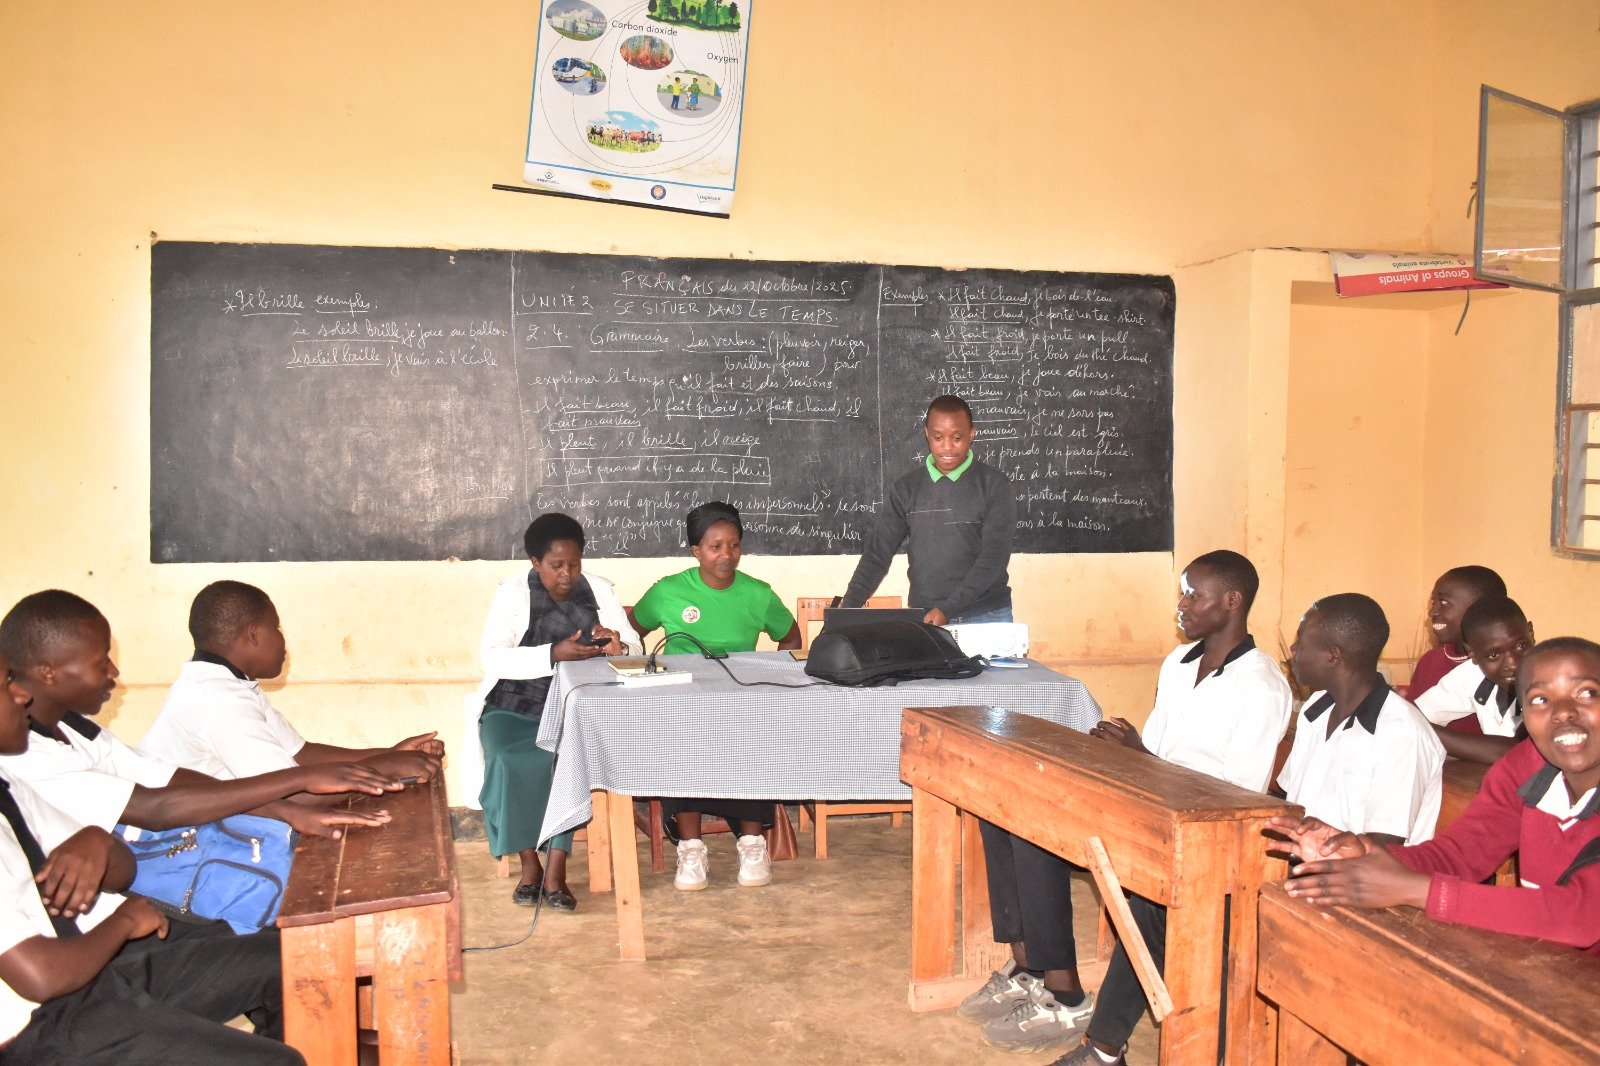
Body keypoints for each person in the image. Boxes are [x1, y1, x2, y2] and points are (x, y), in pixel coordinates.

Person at [1055, 593, 1444, 1066]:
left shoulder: (1401, 733)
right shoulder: (1319, 710)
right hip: (1298, 865)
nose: (1292, 652)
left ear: (1333, 656)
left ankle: (1220, 1051)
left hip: (1360, 889)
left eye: (1301, 642)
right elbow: (1283, 799)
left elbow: (1383, 849)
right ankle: (1102, 1050)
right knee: (1164, 898)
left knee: (1221, 922)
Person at [967, 552, 1289, 1057]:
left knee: (1044, 837)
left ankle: (1066, 995)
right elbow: (1155, 751)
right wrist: (1120, 751)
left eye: (1193, 594)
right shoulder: (1179, 663)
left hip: (1199, 835)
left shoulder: (1262, 685)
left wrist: (1141, 756)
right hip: (1145, 802)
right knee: (1016, 814)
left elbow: (1237, 800)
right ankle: (1033, 967)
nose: (1182, 604)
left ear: (1232, 601)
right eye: (1182, 592)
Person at [0, 644, 304, 1064]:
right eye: (5, 685)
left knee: (290, 961)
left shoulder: (10, 786)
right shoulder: (26, 767)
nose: (21, 695)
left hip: (97, 971)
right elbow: (40, 977)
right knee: (276, 1061)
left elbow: (120, 871)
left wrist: (97, 841)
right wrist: (125, 921)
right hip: (43, 1027)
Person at [1272, 636, 1600, 956]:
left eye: (1586, 693)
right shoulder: (1524, 767)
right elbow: (1460, 855)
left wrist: (1418, 891)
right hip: (1557, 969)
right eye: (1540, 699)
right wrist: (1371, 858)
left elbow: (1582, 915)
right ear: (1523, 715)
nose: (1563, 713)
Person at [0, 590, 401, 842]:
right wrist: (385, 769)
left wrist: (388, 756)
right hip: (155, 870)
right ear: (48, 673)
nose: (115, 673)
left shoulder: (75, 729)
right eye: (101, 661)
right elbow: (156, 809)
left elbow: (177, 780)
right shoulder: (27, 757)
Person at [628, 501, 800, 891]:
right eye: (715, 546)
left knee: (754, 740)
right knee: (680, 742)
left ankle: (752, 844)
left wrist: (770, 675)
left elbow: (790, 636)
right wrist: (643, 670)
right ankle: (690, 848)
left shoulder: (758, 593)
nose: (726, 555)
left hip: (739, 698)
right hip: (683, 700)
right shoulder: (668, 591)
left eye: (734, 545)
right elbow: (631, 629)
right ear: (696, 551)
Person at [473, 513, 637, 909]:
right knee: (508, 759)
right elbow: (492, 657)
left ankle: (557, 869)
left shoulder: (599, 591)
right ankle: (530, 863)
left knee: (564, 762)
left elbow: (634, 646)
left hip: (574, 707)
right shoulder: (513, 594)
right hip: (512, 705)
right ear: (536, 562)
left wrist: (619, 646)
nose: (567, 574)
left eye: (574, 564)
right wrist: (552, 654)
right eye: (556, 565)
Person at [140, 581, 443, 787]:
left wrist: (391, 753)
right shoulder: (220, 700)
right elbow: (288, 793)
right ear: (253, 635)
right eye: (276, 627)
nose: (283, 640)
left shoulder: (229, 683)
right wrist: (385, 767)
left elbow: (301, 753)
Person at [841, 395, 1015, 626]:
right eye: (938, 437)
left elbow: (993, 559)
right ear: (927, 434)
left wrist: (948, 609)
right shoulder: (906, 490)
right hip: (927, 617)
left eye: (957, 438)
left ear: (972, 434)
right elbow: (877, 555)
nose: (947, 447)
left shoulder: (995, 485)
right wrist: (844, 613)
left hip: (985, 615)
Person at [1415, 595, 1531, 764]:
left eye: (1521, 646)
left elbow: (1516, 752)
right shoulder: (1472, 673)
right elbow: (1417, 713)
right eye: (1494, 655)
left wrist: (1422, 729)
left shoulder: (1556, 679)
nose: (1513, 663)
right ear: (1472, 654)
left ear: (1531, 633)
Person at [1405, 565, 1505, 700]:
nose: (1432, 612)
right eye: (1433, 603)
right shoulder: (1429, 661)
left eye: (1444, 602)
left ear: (1481, 609)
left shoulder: (1502, 668)